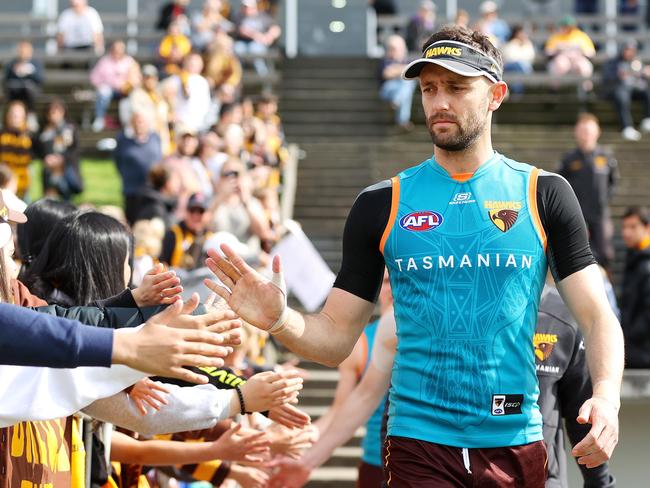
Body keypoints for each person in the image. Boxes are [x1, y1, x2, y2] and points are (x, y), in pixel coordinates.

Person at [206, 25, 623, 486]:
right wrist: (279, 320)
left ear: (496, 95)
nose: (439, 101)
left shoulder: (544, 193)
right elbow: (336, 339)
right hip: (416, 443)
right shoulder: (380, 204)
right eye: (429, 88)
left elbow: (597, 316)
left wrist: (606, 397)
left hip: (515, 439)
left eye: (457, 87)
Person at [558, 113, 617, 269]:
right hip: (577, 215)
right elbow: (561, 185)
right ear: (576, 133)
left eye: (589, 131)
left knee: (605, 254)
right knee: (577, 254)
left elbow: (612, 182)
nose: (586, 135)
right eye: (582, 131)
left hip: (600, 215)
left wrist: (603, 200)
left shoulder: (606, 157)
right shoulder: (569, 159)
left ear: (597, 132)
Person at [114, 111, 163, 225]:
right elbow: (117, 160)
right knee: (133, 221)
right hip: (132, 190)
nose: (139, 124)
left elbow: (160, 158)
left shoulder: (155, 137)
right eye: (137, 121)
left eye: (142, 122)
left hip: (153, 189)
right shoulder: (123, 139)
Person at [602, 40, 650, 141]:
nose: (630, 52)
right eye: (627, 49)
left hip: (633, 89)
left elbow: (640, 79)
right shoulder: (612, 62)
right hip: (617, 90)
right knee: (621, 96)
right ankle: (627, 127)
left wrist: (645, 74)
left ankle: (647, 120)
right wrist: (618, 76)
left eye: (632, 50)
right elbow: (606, 78)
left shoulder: (636, 62)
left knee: (647, 91)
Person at [35, 99, 83, 201]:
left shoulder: (69, 128)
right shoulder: (43, 130)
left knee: (66, 197)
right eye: (52, 112)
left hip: (64, 168)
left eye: (58, 111)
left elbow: (75, 148)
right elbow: (37, 149)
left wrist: (61, 158)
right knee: (49, 198)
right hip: (49, 170)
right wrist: (45, 158)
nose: (55, 115)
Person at [620, 206, 650, 368]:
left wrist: (627, 338)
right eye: (624, 227)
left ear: (647, 228)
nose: (626, 233)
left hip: (641, 354)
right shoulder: (636, 258)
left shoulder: (645, 263)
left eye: (633, 227)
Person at [120, 64, 172, 156]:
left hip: (161, 131)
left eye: (152, 78)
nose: (150, 81)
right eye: (147, 78)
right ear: (143, 79)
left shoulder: (158, 94)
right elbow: (139, 114)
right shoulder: (136, 94)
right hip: (147, 133)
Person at [89, 40, 140, 132]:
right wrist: (104, 85)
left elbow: (136, 79)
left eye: (120, 50)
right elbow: (94, 78)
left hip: (125, 91)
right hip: (109, 90)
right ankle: (99, 119)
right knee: (103, 91)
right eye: (116, 50)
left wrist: (127, 84)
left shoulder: (130, 61)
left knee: (130, 99)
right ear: (112, 50)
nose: (118, 53)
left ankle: (129, 125)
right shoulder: (104, 61)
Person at [161, 193, 212, 270]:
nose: (196, 215)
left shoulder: (211, 238)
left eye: (200, 211)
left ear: (208, 214)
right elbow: (162, 263)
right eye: (192, 210)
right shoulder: (173, 234)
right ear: (186, 212)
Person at [545, 15, 596, 94]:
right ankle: (553, 91)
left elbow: (591, 53)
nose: (567, 28)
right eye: (565, 26)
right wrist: (558, 49)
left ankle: (588, 91)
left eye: (569, 26)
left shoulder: (581, 36)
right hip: (562, 60)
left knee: (584, 67)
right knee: (559, 64)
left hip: (578, 59)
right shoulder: (556, 36)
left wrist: (581, 50)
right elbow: (548, 53)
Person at [233, 0, 281, 76]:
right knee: (238, 48)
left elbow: (276, 29)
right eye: (244, 7)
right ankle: (238, 75)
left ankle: (263, 76)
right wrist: (258, 36)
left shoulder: (262, 16)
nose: (246, 9)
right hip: (243, 43)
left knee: (255, 49)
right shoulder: (239, 16)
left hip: (258, 45)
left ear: (254, 7)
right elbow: (242, 31)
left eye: (248, 7)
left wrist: (269, 37)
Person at [379, 35, 417, 130]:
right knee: (406, 84)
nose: (394, 51)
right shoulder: (385, 60)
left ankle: (397, 102)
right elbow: (387, 74)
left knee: (407, 85)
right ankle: (403, 120)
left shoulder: (408, 60)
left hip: (403, 88)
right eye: (391, 48)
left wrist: (395, 70)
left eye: (396, 48)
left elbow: (414, 75)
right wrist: (403, 70)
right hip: (388, 89)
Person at [3, 41, 43, 123]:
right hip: (15, 92)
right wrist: (15, 72)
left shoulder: (36, 63)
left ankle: (31, 115)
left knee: (27, 87)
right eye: (21, 51)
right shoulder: (11, 64)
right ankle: (11, 114)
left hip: (30, 92)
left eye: (25, 51)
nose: (23, 53)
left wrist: (30, 72)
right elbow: (6, 80)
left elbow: (40, 79)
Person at [0, 100, 32, 200]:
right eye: (13, 114)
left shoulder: (29, 137)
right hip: (4, 185)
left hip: (23, 186)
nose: (16, 117)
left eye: (19, 115)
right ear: (7, 115)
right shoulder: (2, 136)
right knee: (4, 213)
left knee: (24, 213)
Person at [502, 26, 536, 95]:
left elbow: (530, 57)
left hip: (522, 68)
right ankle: (518, 93)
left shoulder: (528, 44)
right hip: (511, 67)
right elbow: (509, 58)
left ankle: (516, 93)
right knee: (518, 66)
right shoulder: (511, 43)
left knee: (518, 71)